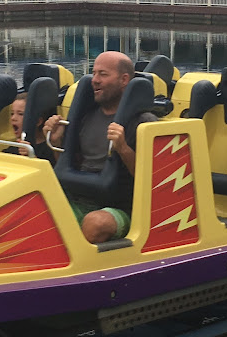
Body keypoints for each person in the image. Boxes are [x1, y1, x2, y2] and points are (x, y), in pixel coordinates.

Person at [44, 51, 157, 244]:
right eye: (93, 73)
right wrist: (56, 144)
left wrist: (123, 148)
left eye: (103, 74)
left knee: (95, 223)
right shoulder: (87, 118)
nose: (95, 80)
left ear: (124, 80)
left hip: (122, 208)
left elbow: (151, 180)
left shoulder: (145, 123)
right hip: (83, 199)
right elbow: (73, 167)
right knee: (39, 215)